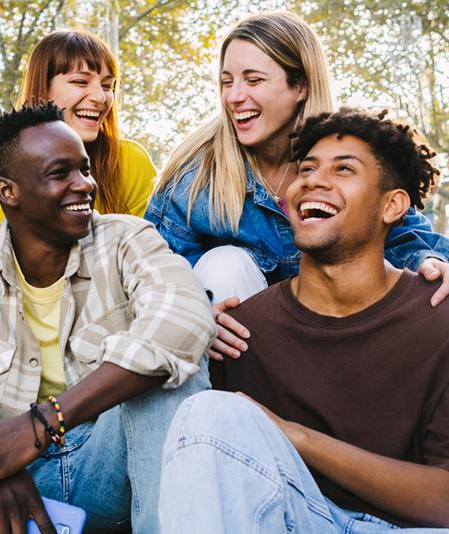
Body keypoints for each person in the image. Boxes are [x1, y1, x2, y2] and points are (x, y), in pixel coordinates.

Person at [0, 104, 215, 533]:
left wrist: (41, 424)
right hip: (6, 475)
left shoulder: (127, 239)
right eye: (59, 173)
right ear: (8, 191)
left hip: (106, 466)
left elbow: (184, 321)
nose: (84, 185)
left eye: (83, 169)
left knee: (170, 388)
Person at [159, 108, 449, 532]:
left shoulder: (437, 317)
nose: (313, 180)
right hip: (291, 519)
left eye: (343, 169)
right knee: (206, 411)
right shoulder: (239, 331)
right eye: (306, 168)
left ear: (392, 205)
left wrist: (294, 437)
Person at [144, 11, 449, 360]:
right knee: (224, 264)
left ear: (300, 86)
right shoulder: (197, 177)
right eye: (227, 81)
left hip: (337, 335)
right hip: (240, 354)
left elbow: (405, 235)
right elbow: (152, 271)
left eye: (253, 80)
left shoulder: (348, 152)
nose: (234, 97)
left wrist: (432, 263)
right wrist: (195, 316)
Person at [0, 29, 156, 253]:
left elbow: (151, 250)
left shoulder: (130, 160)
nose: (100, 98)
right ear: (44, 89)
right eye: (80, 82)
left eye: (107, 85)